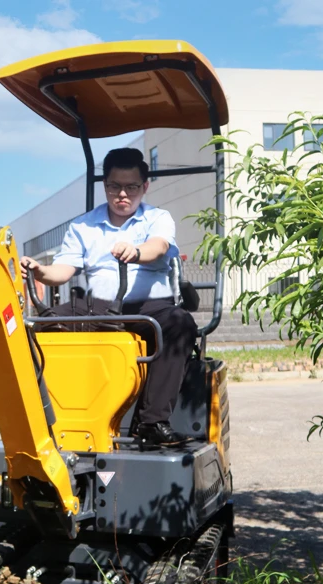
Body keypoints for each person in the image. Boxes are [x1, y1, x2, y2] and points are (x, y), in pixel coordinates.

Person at [20, 147, 197, 447]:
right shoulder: (83, 225)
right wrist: (40, 271)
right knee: (35, 330)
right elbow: (63, 270)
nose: (122, 195)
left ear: (145, 187)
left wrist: (136, 252)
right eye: (115, 187)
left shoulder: (157, 218)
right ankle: (46, 420)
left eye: (131, 187)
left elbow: (157, 246)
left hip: (149, 310)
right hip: (98, 310)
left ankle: (152, 422)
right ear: (105, 186)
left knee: (181, 323)